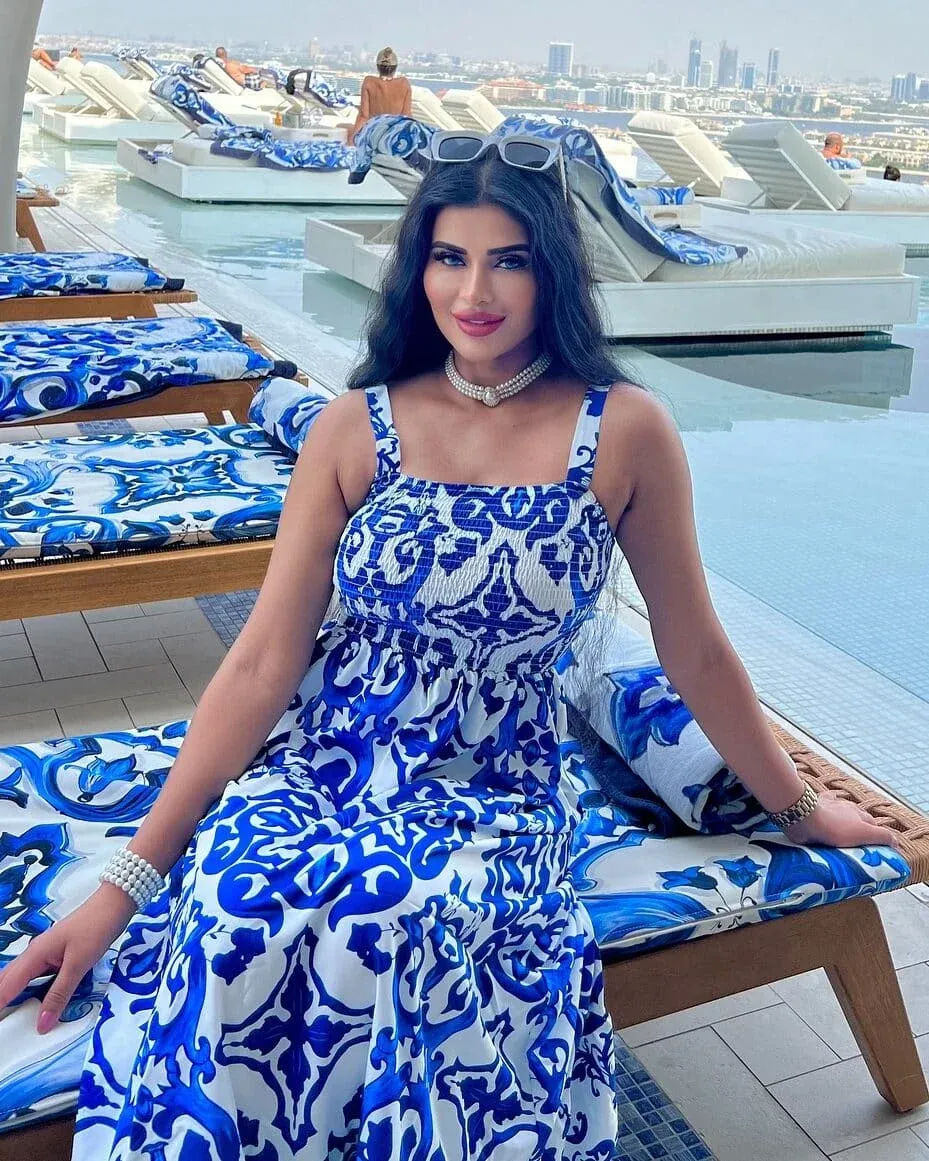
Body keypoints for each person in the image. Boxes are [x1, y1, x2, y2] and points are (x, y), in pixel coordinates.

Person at [0, 132, 899, 1160]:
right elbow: (260, 663)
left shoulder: (622, 431)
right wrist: (128, 879)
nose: (474, 290)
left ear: (553, 268)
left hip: (491, 785)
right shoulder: (354, 427)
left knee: (401, 923)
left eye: (508, 259)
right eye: (448, 256)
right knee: (237, 908)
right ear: (415, 265)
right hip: (323, 759)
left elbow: (695, 653)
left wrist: (796, 807)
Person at [350, 46, 412, 143]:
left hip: (374, 135)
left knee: (347, 129)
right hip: (393, 138)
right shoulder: (404, 84)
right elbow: (406, 117)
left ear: (378, 67)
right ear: (395, 68)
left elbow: (363, 116)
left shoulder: (369, 82)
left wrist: (352, 141)